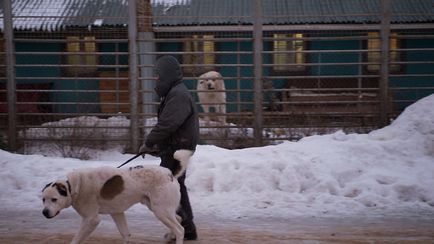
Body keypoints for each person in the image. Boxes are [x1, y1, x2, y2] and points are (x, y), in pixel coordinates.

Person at [139, 55, 199, 240]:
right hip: (176, 146)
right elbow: (171, 126)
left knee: (168, 188)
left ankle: (183, 227)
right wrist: (158, 146)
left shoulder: (178, 95)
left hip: (178, 149)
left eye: (158, 75)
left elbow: (167, 124)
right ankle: (186, 227)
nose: (156, 78)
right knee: (175, 187)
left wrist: (149, 143)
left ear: (166, 74)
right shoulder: (174, 92)